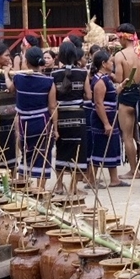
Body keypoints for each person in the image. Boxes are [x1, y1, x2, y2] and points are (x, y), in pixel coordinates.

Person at [13, 46, 56, 190]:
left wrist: (7, 74)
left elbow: (10, 88)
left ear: (26, 61)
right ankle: (40, 190)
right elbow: (52, 106)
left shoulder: (18, 78)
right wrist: (55, 128)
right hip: (41, 122)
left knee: (26, 154)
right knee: (43, 155)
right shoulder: (48, 82)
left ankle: (22, 189)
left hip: (23, 123)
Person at [51, 39, 90, 195]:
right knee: (78, 150)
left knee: (61, 149)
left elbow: (52, 102)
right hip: (78, 116)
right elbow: (88, 95)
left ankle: (59, 186)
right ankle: (73, 187)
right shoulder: (82, 73)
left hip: (60, 117)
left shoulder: (54, 74)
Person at [87, 48, 124, 188]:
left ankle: (114, 179)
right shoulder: (100, 81)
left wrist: (120, 87)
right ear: (104, 63)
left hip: (110, 116)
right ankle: (91, 180)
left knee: (112, 147)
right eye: (110, 61)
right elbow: (98, 103)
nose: (112, 63)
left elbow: (111, 94)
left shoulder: (106, 79)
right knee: (99, 148)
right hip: (102, 118)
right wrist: (106, 123)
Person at [111, 24, 140, 178]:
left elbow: (119, 79)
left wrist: (108, 75)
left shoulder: (120, 56)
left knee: (127, 135)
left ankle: (133, 170)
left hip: (127, 95)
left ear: (124, 37)